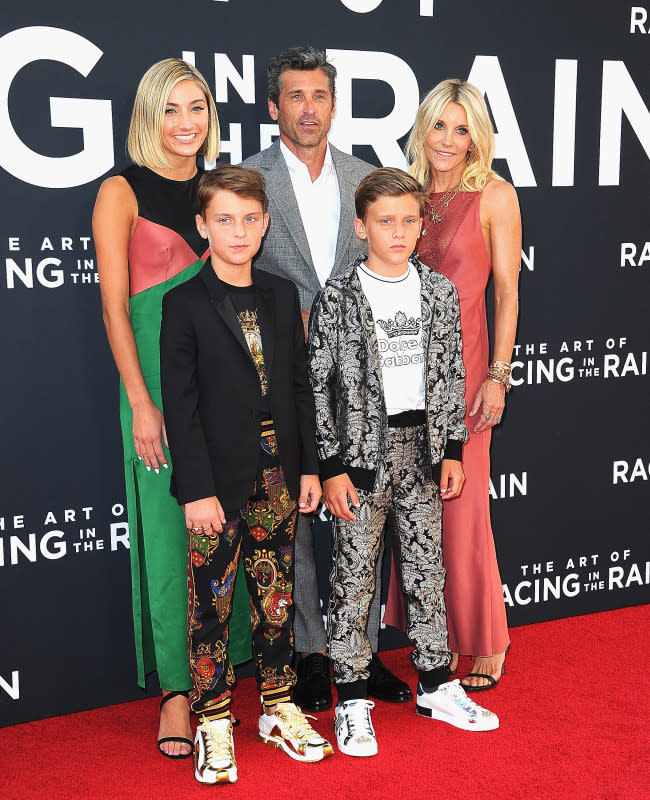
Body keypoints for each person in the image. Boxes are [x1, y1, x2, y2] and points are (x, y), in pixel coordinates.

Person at [309, 167, 499, 757]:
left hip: (422, 451)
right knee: (354, 578)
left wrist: (450, 449)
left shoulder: (438, 293)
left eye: (408, 221)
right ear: (361, 227)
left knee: (425, 572)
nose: (398, 232)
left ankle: (437, 684)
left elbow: (448, 377)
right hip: (360, 457)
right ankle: (355, 699)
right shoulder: (338, 297)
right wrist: (333, 464)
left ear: (422, 226)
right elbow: (318, 388)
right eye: (384, 222)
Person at [243, 44, 410, 711]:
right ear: (273, 106)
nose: (308, 109)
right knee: (296, 517)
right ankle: (312, 655)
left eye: (319, 96)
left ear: (332, 104)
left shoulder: (367, 178)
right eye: (295, 96)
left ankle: (360, 655)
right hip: (276, 378)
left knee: (362, 513)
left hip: (358, 379)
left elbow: (388, 276)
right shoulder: (247, 179)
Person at [93, 58, 249, 760]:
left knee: (229, 531)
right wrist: (139, 401)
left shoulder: (222, 187)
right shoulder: (120, 192)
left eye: (198, 109)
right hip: (156, 392)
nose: (187, 124)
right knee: (168, 541)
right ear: (148, 116)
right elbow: (115, 309)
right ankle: (178, 693)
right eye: (172, 110)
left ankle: (225, 674)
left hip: (224, 387)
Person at [160, 165, 332, 784]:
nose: (238, 231)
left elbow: (299, 389)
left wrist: (309, 466)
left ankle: (278, 706)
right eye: (224, 219)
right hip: (216, 480)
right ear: (202, 224)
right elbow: (179, 406)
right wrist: (196, 489)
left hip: (280, 475)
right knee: (209, 604)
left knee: (276, 596)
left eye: (250, 219)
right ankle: (211, 718)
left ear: (265, 224)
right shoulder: (181, 303)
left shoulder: (282, 295)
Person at [385, 79, 521, 691]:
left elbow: (507, 294)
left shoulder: (494, 196)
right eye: (438, 126)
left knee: (463, 508)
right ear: (422, 129)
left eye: (461, 129)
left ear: (478, 138)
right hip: (403, 375)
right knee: (417, 512)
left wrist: (498, 374)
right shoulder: (404, 195)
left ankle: (486, 637)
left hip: (466, 376)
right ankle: (433, 636)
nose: (447, 140)